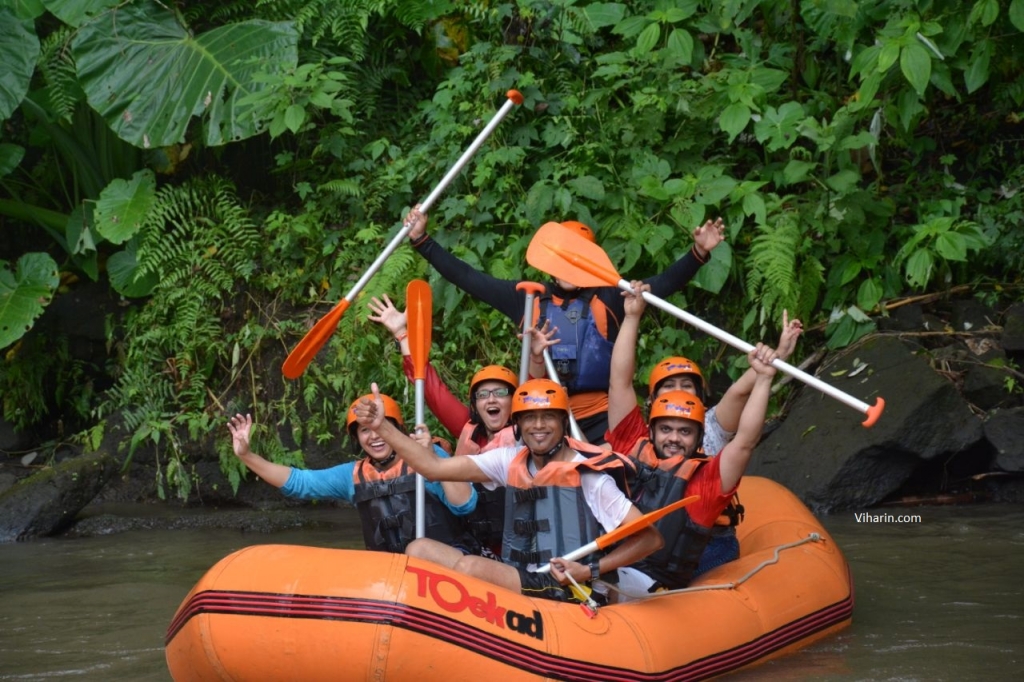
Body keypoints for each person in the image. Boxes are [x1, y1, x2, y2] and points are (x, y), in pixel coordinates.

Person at [403, 206, 727, 442]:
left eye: (578, 260)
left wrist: (698, 253)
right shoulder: (526, 298)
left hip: (602, 417)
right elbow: (468, 277)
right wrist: (423, 242)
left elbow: (665, 282)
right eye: (562, 260)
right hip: (544, 418)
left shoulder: (613, 297)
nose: (569, 269)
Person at [352, 378, 663, 604]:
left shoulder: (590, 477)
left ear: (563, 423)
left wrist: (589, 568)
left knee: (471, 567)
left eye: (548, 417)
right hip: (524, 574)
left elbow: (649, 538)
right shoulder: (508, 460)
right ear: (517, 425)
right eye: (529, 418)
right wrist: (384, 428)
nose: (538, 426)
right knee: (419, 548)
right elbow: (434, 468)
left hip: (568, 585)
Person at [605, 282, 790, 592]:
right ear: (651, 426)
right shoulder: (632, 442)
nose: (674, 438)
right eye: (666, 429)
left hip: (693, 556)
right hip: (627, 561)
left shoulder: (706, 480)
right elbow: (619, 383)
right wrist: (632, 316)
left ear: (700, 431)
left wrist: (764, 378)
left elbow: (744, 441)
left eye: (685, 431)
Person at [226, 394, 478, 555]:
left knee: (419, 549)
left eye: (380, 427)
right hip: (393, 575)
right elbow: (300, 483)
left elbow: (465, 505)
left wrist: (433, 460)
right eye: (364, 431)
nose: (374, 436)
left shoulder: (427, 456)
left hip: (447, 563)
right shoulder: (352, 475)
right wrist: (247, 456)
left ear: (396, 429)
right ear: (357, 438)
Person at [367, 293, 519, 556]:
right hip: (477, 542)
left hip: (519, 545)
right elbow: (429, 387)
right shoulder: (467, 427)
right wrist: (402, 334)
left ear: (515, 401)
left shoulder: (530, 433)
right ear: (475, 405)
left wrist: (538, 359)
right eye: (483, 395)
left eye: (500, 393)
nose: (491, 400)